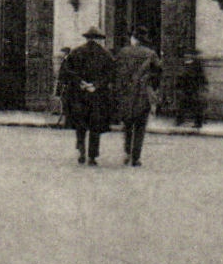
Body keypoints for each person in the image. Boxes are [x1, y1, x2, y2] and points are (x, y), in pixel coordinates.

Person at [56, 26, 114, 165]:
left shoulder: (76, 52)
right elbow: (111, 74)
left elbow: (65, 72)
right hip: (97, 95)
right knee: (95, 125)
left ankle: (81, 151)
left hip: (79, 94)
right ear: (98, 39)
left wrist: (80, 83)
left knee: (81, 124)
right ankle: (92, 156)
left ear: (87, 38)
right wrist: (95, 85)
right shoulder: (105, 55)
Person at [115, 26, 161, 167]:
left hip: (126, 93)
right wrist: (152, 87)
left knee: (127, 125)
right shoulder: (150, 54)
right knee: (140, 127)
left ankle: (127, 153)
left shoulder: (123, 52)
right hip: (142, 94)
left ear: (133, 39)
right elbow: (158, 72)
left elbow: (116, 71)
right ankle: (136, 157)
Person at [173, 48, 206, 129]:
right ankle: (179, 120)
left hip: (194, 87)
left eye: (189, 54)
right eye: (185, 55)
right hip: (184, 88)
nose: (187, 56)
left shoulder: (197, 65)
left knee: (196, 105)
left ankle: (198, 122)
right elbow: (179, 76)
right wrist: (178, 85)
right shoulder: (183, 64)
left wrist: (202, 86)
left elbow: (201, 76)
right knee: (181, 104)